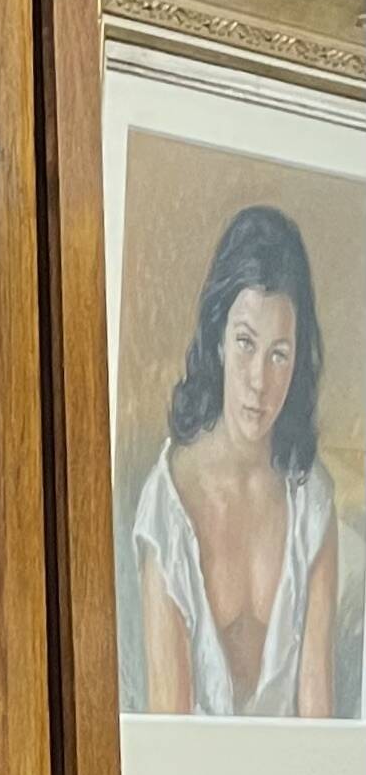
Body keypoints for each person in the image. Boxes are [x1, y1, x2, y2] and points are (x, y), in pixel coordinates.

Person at [134, 203, 338, 717]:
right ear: (219, 339)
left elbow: (317, 714)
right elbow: (170, 729)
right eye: (246, 342)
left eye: (279, 354)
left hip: (296, 771)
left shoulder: (312, 502)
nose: (259, 381)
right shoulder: (167, 508)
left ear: (298, 359)